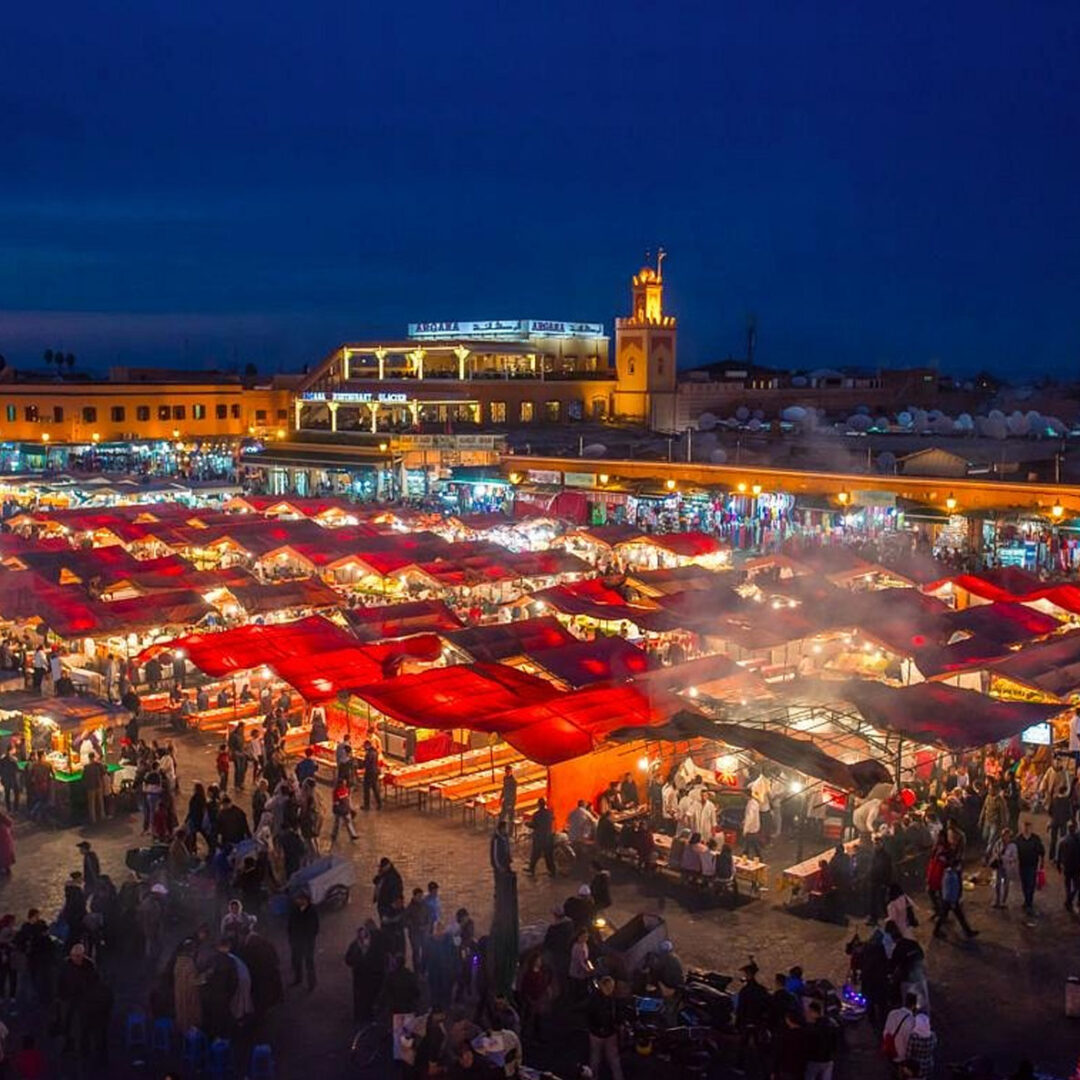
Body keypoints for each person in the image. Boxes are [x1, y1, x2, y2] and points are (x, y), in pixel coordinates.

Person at [344, 922, 384, 1022]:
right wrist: (356, 961)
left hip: (371, 976)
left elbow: (379, 958)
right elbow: (348, 960)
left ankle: (369, 1015)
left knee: (370, 997)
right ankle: (359, 1016)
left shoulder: (374, 945)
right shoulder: (354, 946)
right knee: (359, 998)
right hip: (359, 976)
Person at [587, 975, 624, 1080]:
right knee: (605, 1058)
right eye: (609, 987)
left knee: (598, 1057)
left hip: (603, 1033)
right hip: (603, 1033)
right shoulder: (608, 1000)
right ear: (602, 986)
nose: (610, 989)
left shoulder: (596, 999)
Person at [933, 860, 978, 939]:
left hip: (949, 899)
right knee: (949, 916)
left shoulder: (949, 873)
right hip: (950, 900)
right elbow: (951, 890)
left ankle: (968, 932)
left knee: (950, 915)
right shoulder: (951, 876)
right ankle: (968, 932)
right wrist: (953, 901)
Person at [286, 891, 319, 990]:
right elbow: (290, 924)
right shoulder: (294, 909)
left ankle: (311, 983)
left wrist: (308, 939)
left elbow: (315, 928)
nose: (297, 901)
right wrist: (291, 938)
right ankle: (298, 979)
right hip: (296, 942)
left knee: (309, 963)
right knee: (297, 961)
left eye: (299, 899)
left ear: (305, 900)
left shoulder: (312, 911)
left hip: (307, 943)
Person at [1014, 819, 1046, 916]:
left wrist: (1042, 863)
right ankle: (1027, 901)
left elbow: (1042, 851)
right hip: (1022, 865)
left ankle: (1029, 903)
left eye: (1028, 827)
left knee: (1031, 884)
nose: (1027, 829)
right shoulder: (1018, 839)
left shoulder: (1036, 839)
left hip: (1032, 865)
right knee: (1024, 884)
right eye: (1025, 827)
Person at [803, 998, 838, 1080]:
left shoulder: (812, 1029)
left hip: (815, 1060)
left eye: (808, 1012)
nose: (806, 1014)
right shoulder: (831, 1024)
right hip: (828, 1059)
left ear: (813, 1012)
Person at [173, 938, 203, 1034]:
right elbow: (194, 981)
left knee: (182, 1014)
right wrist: (205, 977)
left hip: (180, 993)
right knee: (190, 1017)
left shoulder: (178, 962)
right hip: (190, 995)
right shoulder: (190, 964)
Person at [882, 992, 918, 1065]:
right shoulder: (912, 1020)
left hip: (890, 1050)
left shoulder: (892, 1013)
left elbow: (886, 1031)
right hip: (901, 1056)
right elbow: (908, 1042)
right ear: (914, 1005)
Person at [989, 827, 1019, 909]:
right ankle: (997, 900)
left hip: (1007, 867)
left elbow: (1015, 857)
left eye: (1007, 836)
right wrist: (996, 856)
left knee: (1006, 884)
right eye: (1004, 835)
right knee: (997, 884)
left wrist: (1005, 858)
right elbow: (994, 851)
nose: (1005, 837)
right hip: (999, 865)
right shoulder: (998, 843)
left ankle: (1003, 901)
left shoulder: (1013, 846)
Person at [526, 798, 555, 877]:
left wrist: (528, 824)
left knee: (535, 854)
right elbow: (553, 819)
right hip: (548, 837)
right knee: (548, 856)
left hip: (539, 837)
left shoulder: (537, 814)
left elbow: (534, 825)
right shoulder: (549, 813)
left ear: (538, 805)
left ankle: (531, 870)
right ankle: (552, 871)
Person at [903, 1012, 937, 1078]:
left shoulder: (913, 1037)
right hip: (928, 1065)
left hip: (915, 1067)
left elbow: (908, 1054)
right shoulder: (933, 1036)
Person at [373, 857, 404, 924]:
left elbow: (397, 890)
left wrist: (393, 902)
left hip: (388, 904)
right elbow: (375, 881)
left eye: (383, 867)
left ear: (388, 865)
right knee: (385, 921)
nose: (382, 868)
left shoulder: (393, 876)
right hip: (383, 903)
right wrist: (379, 874)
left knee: (389, 923)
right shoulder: (383, 874)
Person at [1057, 820, 1080, 911]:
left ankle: (1069, 900)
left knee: (1068, 885)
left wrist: (1059, 865)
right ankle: (1070, 900)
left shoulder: (1063, 840)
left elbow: (1058, 855)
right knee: (1077, 886)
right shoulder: (1078, 840)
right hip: (1076, 867)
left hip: (1067, 867)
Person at [81, 752, 107, 824]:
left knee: (91, 804)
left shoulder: (86, 767)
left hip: (90, 786)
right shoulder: (98, 765)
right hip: (98, 784)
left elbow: (83, 777)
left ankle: (93, 819)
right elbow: (104, 772)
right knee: (100, 801)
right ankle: (102, 815)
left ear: (89, 758)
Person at [330, 779, 358, 844]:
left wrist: (351, 807)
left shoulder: (346, 790)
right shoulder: (336, 792)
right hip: (340, 810)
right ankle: (334, 834)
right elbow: (336, 802)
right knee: (338, 824)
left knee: (348, 822)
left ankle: (353, 835)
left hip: (346, 809)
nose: (344, 785)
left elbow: (348, 799)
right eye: (343, 784)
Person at [361, 739, 381, 810]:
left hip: (369, 772)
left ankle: (367, 805)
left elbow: (366, 763)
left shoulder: (369, 754)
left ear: (367, 745)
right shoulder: (375, 752)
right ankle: (379, 803)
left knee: (366, 788)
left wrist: (362, 766)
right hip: (375, 771)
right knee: (375, 788)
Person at [228, 723, 248, 791]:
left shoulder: (241, 735)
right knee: (238, 770)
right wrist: (233, 752)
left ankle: (241, 783)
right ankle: (236, 784)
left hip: (242, 753)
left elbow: (243, 743)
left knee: (243, 769)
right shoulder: (233, 735)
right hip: (236, 754)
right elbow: (230, 745)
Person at [742, 794, 763, 859]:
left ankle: (757, 856)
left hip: (751, 828)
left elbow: (750, 817)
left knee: (752, 843)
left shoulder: (751, 805)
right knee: (749, 844)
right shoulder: (754, 803)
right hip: (754, 827)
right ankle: (746, 855)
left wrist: (745, 828)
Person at [0, 812, 14, 877]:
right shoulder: (1, 815)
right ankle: (6, 867)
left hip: (3, 836)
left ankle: (4, 868)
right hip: (4, 836)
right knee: (6, 852)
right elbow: (10, 822)